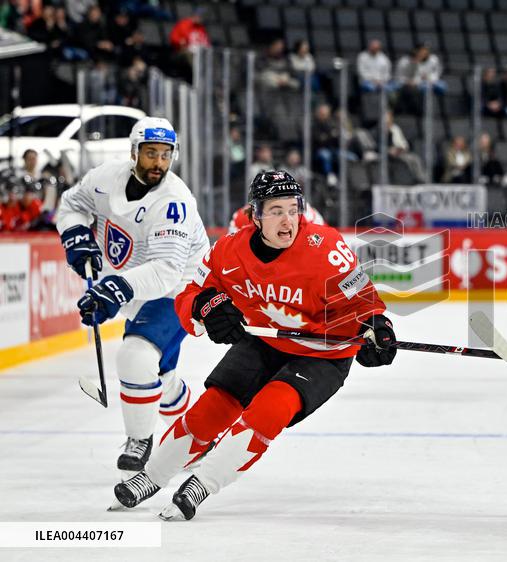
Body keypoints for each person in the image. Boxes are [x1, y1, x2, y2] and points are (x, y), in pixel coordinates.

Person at [113, 170, 395, 520]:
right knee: (211, 409)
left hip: (322, 355)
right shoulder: (230, 250)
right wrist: (207, 307)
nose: (287, 220)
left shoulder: (325, 248)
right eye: (276, 210)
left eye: (293, 209)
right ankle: (151, 477)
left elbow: (363, 302)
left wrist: (375, 328)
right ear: (256, 214)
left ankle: (202, 483)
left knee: (268, 411)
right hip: (264, 340)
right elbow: (191, 296)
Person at [55, 117, 209, 475]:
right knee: (162, 377)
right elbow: (71, 204)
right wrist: (76, 235)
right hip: (137, 282)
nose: (158, 163)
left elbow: (166, 270)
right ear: (134, 151)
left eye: (165, 155)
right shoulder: (105, 178)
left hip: (182, 287)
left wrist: (113, 288)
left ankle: (139, 440)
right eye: (150, 153)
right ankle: (199, 435)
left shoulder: (176, 202)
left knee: (135, 355)